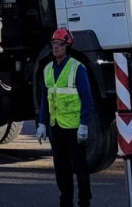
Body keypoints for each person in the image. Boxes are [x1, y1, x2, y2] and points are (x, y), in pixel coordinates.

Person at [35, 28, 94, 207]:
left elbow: (87, 98)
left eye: (59, 44)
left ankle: (84, 201)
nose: (55, 48)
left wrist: (84, 124)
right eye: (53, 44)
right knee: (61, 168)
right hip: (56, 126)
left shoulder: (77, 68)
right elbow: (46, 99)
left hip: (74, 127)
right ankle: (65, 201)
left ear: (67, 46)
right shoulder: (47, 69)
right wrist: (42, 124)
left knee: (80, 166)